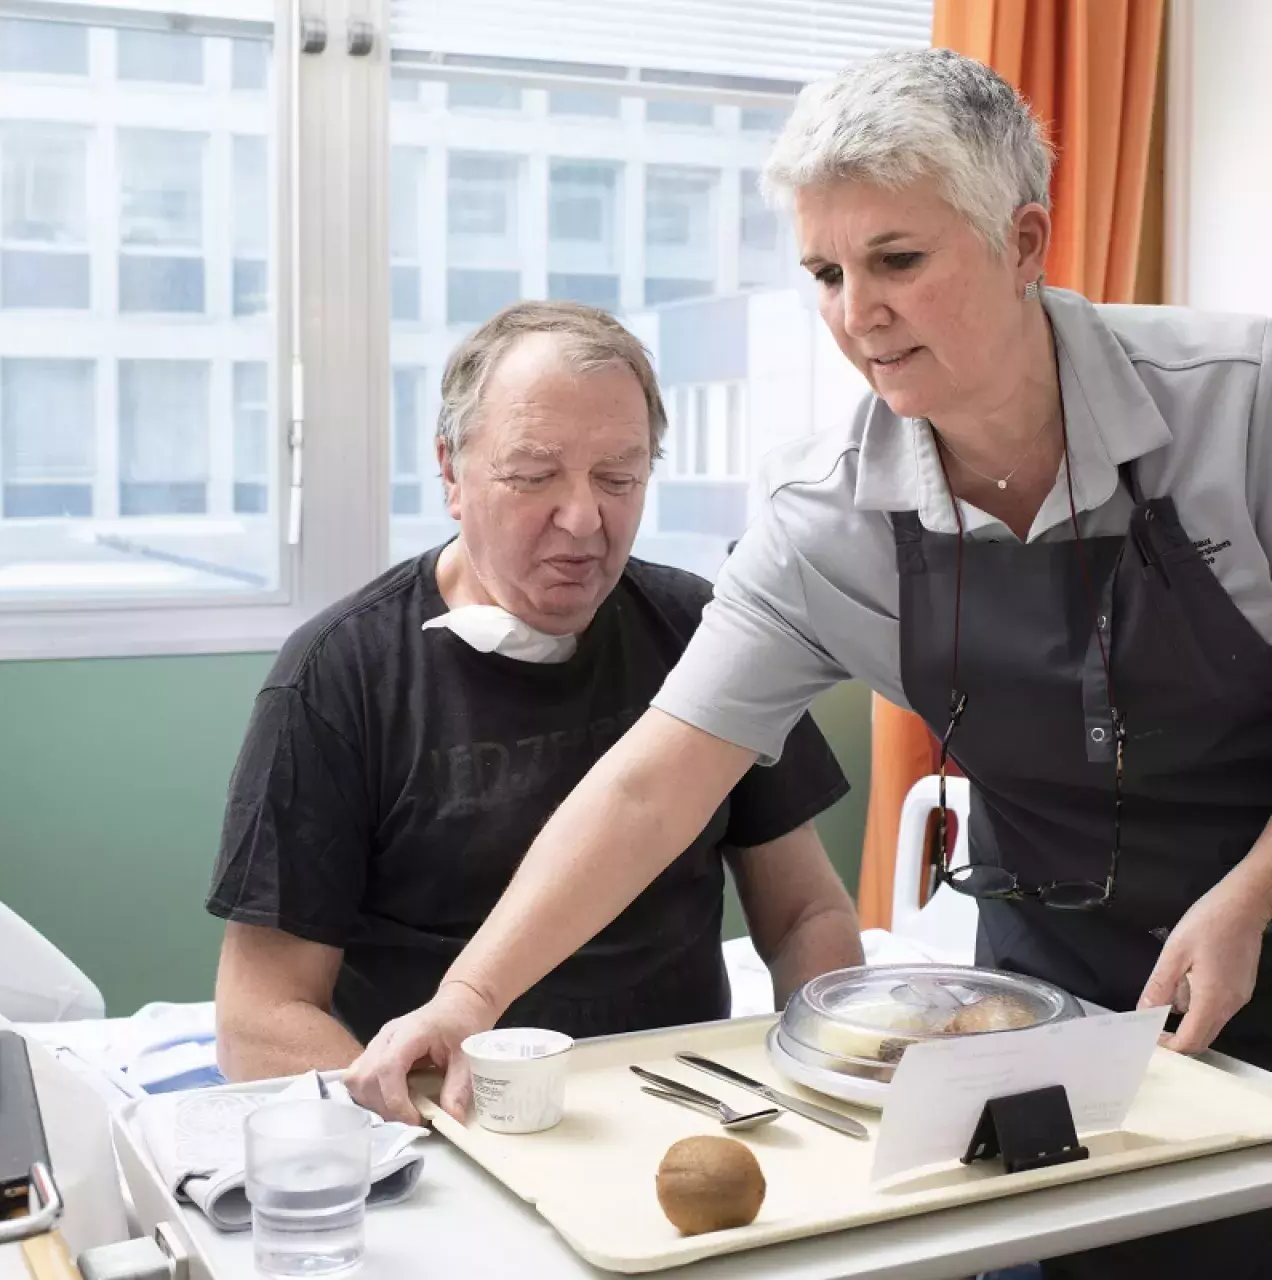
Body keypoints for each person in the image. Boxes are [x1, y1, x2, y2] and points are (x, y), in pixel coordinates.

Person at [343, 51, 1272, 1280]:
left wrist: (1252, 889)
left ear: (1023, 238)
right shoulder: (821, 519)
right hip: (1049, 995)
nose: (855, 313)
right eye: (824, 273)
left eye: (896, 260)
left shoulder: (1240, 406)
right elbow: (654, 782)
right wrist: (464, 1000)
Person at [207, 300, 862, 1084]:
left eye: (619, 477)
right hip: (448, 1120)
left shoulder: (703, 633)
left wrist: (828, 1072)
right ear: (451, 471)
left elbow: (807, 916)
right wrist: (414, 1136)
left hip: (681, 1103)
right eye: (532, 476)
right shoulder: (336, 679)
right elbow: (259, 1019)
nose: (584, 518)